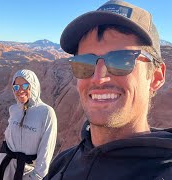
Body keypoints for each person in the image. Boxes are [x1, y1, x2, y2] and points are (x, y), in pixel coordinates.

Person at [44, 0, 172, 179]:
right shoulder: (62, 163)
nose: (98, 78)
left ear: (156, 77)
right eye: (85, 63)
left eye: (121, 60)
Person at [0, 69, 57, 180]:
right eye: (16, 87)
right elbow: (8, 140)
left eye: (24, 85)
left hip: (28, 173)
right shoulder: (13, 109)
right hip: (7, 170)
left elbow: (46, 150)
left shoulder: (46, 112)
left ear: (33, 86)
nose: (20, 90)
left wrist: (36, 177)